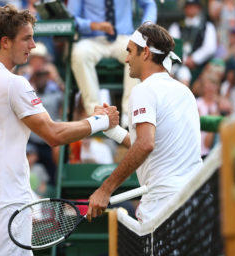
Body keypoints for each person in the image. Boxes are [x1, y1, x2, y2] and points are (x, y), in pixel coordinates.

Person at [0, 5, 119, 256]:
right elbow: (53, 134)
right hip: (8, 209)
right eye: (27, 38)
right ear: (6, 42)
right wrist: (100, 121)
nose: (33, 45)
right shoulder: (14, 84)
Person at [87, 22, 203, 224]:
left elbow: (145, 144)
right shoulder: (185, 91)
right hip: (195, 203)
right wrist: (112, 130)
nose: (126, 59)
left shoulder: (144, 90)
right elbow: (151, 144)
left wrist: (105, 190)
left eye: (130, 51)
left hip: (164, 207)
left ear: (146, 53)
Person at [67, 0, 157, 127]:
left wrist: (145, 29)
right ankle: (96, 113)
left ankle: (130, 113)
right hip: (92, 38)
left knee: (139, 53)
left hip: (123, 37)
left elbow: (149, 4)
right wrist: (92, 25)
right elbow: (71, 18)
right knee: (80, 54)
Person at [169, 0, 217, 86]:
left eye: (194, 6)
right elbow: (172, 46)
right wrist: (185, 60)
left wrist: (194, 59)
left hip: (201, 67)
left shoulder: (208, 26)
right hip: (180, 65)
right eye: (188, 6)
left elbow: (210, 48)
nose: (191, 8)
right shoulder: (176, 26)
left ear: (199, 8)